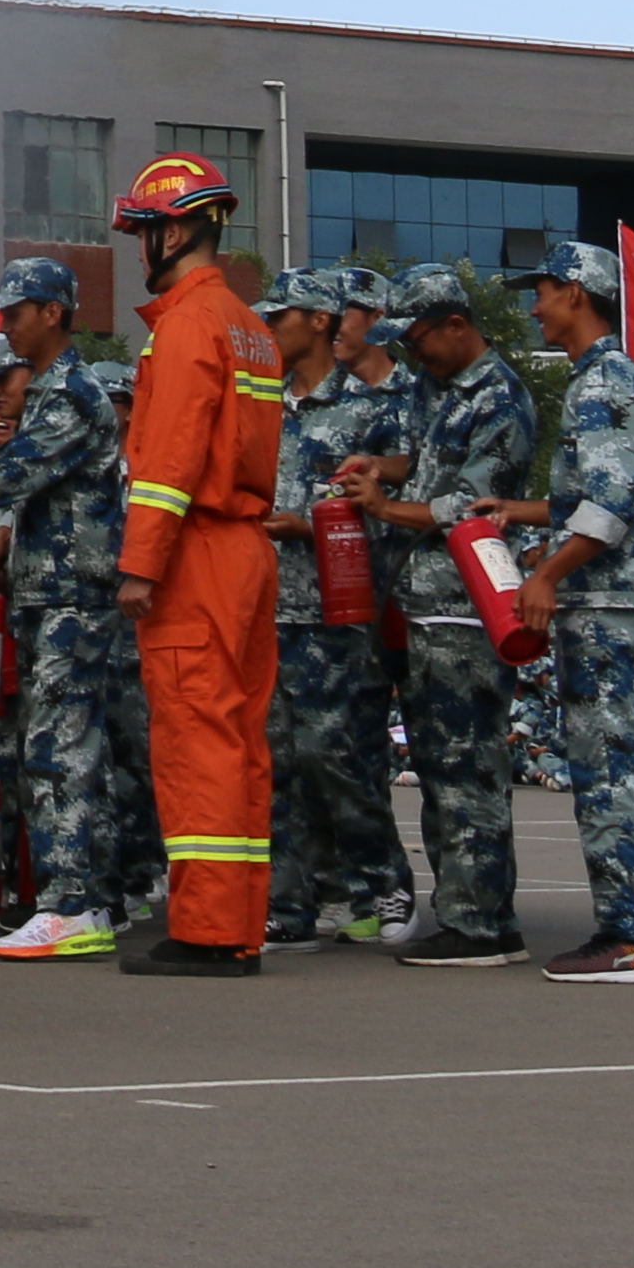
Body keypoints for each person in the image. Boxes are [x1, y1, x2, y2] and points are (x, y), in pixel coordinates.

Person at [104, 152, 285, 975]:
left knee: (196, 737)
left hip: (198, 555)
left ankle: (208, 931)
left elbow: (169, 460)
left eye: (143, 230)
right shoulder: (249, 326)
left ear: (172, 233)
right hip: (246, 549)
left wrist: (141, 564)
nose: (140, 246)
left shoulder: (185, 326)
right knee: (240, 740)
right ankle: (239, 925)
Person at [0, 254, 156, 961]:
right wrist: (4, 537)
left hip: (75, 596)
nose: (5, 327)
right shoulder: (47, 391)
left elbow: (17, 471)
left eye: (15, 313)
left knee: (57, 747)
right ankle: (93, 898)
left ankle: (70, 905)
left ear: (52, 313)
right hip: (49, 594)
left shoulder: (71, 393)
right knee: (72, 749)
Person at [500, 243, 634, 982]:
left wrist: (545, 575)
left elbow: (610, 506)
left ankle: (630, 936)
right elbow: (591, 497)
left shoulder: (603, 380)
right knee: (609, 761)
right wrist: (520, 510)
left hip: (607, 597)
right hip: (613, 594)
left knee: (609, 764)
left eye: (542, 291)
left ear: (576, 293)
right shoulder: (606, 377)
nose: (534, 307)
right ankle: (625, 928)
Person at [345, 266, 534, 966]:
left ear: (457, 325)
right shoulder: (436, 386)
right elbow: (427, 465)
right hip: (420, 604)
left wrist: (384, 508)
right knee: (436, 764)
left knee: (468, 766)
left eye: (419, 337)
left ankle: (480, 922)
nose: (413, 352)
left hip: (465, 606)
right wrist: (382, 467)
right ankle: (467, 909)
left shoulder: (501, 398)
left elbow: (470, 508)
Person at [262, 270, 410, 947]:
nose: (270, 328)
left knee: (335, 755)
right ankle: (289, 904)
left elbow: (391, 516)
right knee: (276, 762)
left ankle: (383, 884)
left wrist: (308, 528)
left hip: (337, 613)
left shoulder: (371, 411)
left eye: (281, 317)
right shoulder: (264, 405)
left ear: (319, 320)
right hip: (269, 608)